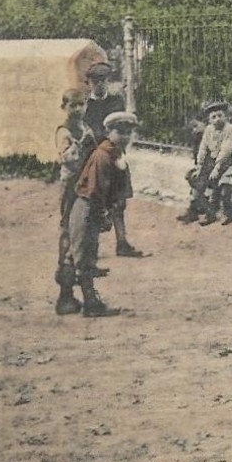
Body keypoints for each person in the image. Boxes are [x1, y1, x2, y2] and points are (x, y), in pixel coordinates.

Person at [68, 111, 139, 317]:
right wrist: (105, 214)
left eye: (128, 133)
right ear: (109, 132)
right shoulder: (103, 155)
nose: (124, 137)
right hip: (87, 206)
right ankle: (89, 303)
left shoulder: (115, 154)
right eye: (119, 132)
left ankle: (89, 300)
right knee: (83, 254)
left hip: (93, 207)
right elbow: (96, 190)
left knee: (88, 252)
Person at [83, 61, 141, 256]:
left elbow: (124, 129)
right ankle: (91, 248)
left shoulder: (116, 102)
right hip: (95, 158)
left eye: (103, 80)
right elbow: (86, 133)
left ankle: (122, 242)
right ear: (88, 83)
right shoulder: (85, 106)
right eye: (95, 81)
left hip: (115, 154)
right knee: (95, 202)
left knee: (119, 200)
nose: (99, 85)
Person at [54, 89, 97, 315]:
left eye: (82, 105)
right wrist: (82, 143)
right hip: (71, 188)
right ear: (64, 108)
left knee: (84, 233)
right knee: (69, 235)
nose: (78, 109)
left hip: (85, 185)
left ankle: (79, 294)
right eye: (73, 105)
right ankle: (66, 295)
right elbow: (68, 158)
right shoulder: (65, 131)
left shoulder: (85, 128)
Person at [177, 101, 232, 225]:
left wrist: (217, 167)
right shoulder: (209, 130)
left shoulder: (229, 129)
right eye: (213, 117)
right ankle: (195, 210)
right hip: (211, 161)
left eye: (220, 115)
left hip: (225, 162)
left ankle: (213, 213)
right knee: (197, 179)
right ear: (209, 120)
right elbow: (203, 147)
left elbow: (226, 149)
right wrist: (199, 165)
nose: (217, 119)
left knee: (215, 183)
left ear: (225, 116)